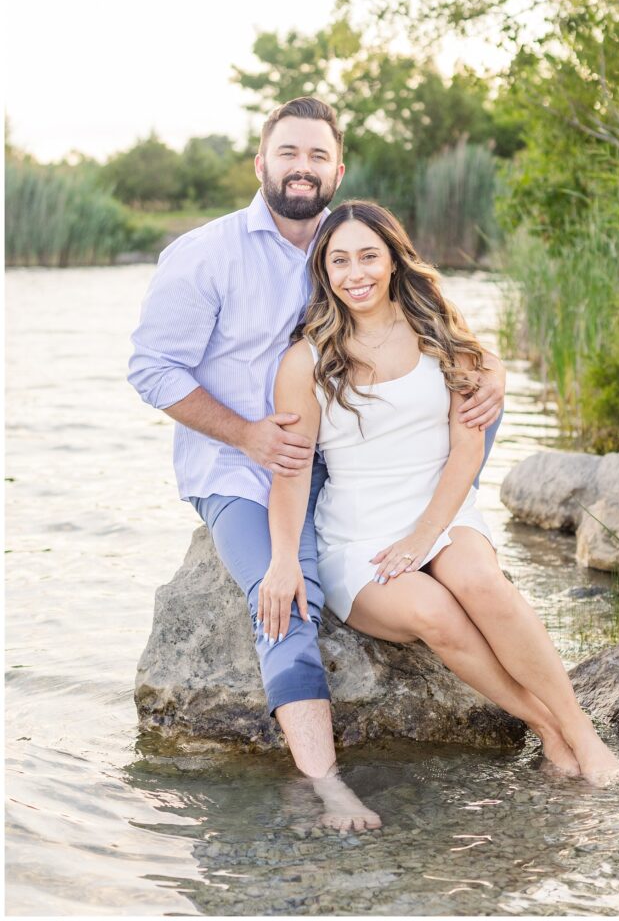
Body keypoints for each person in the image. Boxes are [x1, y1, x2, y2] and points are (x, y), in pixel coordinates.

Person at [128, 97, 507, 832]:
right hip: (247, 468)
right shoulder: (205, 253)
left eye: (315, 156)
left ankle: (443, 531)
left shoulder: (350, 242)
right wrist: (245, 434)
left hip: (354, 460)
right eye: (287, 153)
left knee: (470, 411)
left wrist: (488, 369)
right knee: (284, 597)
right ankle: (326, 785)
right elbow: (151, 369)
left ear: (337, 168)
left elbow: (436, 318)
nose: (300, 168)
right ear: (261, 163)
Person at [263, 199, 619, 791]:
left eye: (368, 256)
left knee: (482, 584)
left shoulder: (440, 336)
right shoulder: (304, 362)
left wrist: (423, 536)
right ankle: (548, 727)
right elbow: (291, 472)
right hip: (358, 537)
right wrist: (283, 561)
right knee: (435, 612)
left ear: (393, 261)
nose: (355, 274)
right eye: (339, 261)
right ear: (323, 273)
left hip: (443, 511)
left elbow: (466, 453)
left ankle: (582, 733)